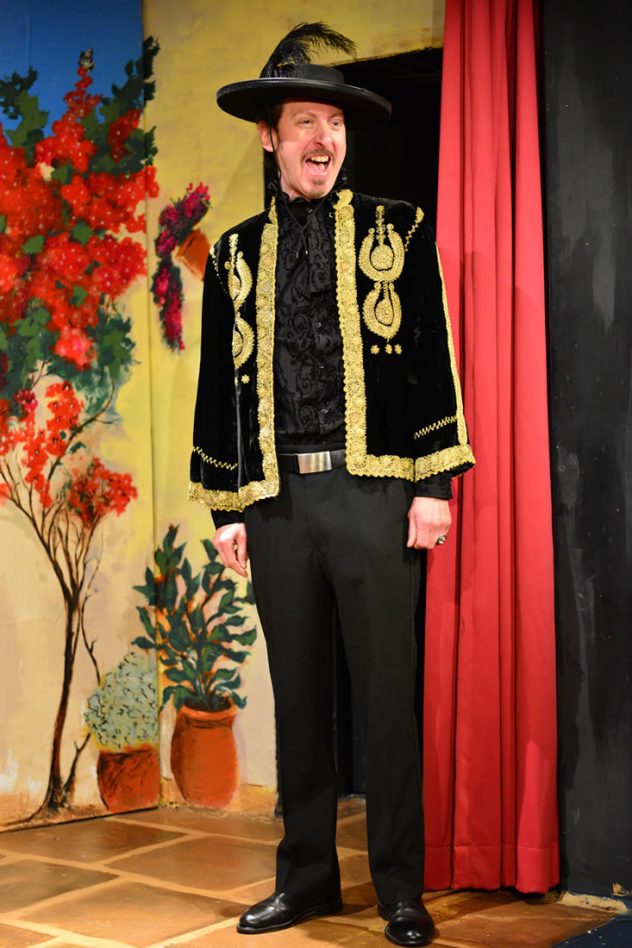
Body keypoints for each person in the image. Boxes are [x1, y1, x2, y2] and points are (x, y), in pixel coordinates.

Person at [189, 23, 474, 947]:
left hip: (374, 494)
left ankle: (399, 889)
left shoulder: (399, 230)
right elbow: (219, 386)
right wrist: (229, 505)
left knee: (387, 701)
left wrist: (434, 486)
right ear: (269, 137)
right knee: (300, 701)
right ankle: (307, 878)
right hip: (276, 504)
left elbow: (429, 361)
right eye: (305, 121)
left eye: (335, 123)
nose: (323, 138)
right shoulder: (233, 256)